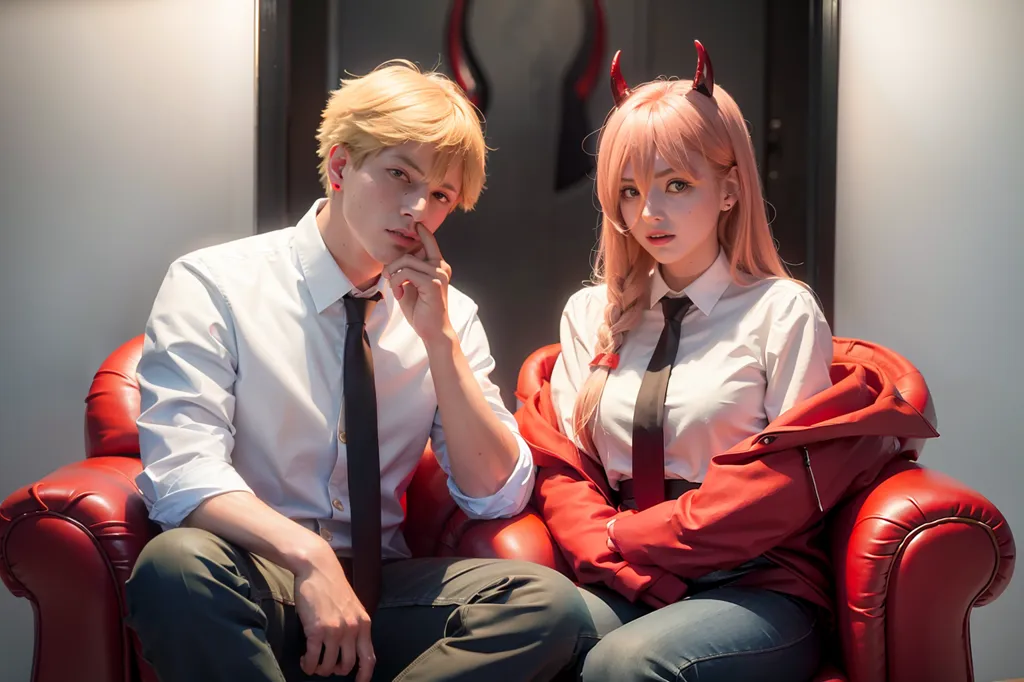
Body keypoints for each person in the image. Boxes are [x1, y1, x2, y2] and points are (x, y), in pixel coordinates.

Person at [124, 59, 594, 682]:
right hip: (255, 576)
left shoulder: (449, 316)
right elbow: (182, 473)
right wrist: (308, 557)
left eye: (441, 196)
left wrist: (439, 341)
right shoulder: (215, 283)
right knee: (174, 566)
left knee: (549, 606)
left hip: (384, 591)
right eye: (399, 175)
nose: (417, 209)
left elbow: (494, 496)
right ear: (342, 166)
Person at [516, 43, 938, 682]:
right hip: (626, 572)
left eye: (676, 185)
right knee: (526, 634)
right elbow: (566, 471)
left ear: (730, 188)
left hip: (758, 582)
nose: (649, 212)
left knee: (625, 665)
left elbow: (786, 485)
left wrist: (638, 541)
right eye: (630, 191)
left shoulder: (781, 310)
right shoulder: (589, 313)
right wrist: (623, 560)